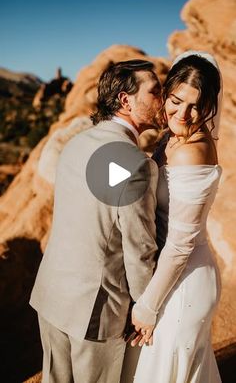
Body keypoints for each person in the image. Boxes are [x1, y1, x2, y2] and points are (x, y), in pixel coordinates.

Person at [29, 59, 163, 383]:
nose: (162, 98)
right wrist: (147, 310)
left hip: (51, 295)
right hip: (94, 310)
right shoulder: (134, 163)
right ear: (125, 100)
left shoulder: (76, 143)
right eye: (155, 90)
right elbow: (139, 249)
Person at [124, 51, 223, 383]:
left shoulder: (194, 151)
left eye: (195, 105)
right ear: (166, 95)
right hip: (171, 273)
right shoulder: (171, 137)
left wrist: (147, 307)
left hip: (184, 283)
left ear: (209, 105)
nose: (183, 113)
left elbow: (181, 244)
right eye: (176, 101)